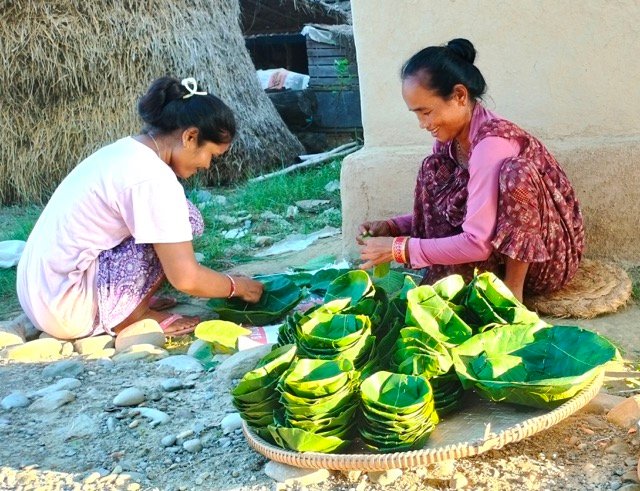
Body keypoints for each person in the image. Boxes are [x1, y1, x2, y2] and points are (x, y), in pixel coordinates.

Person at [16, 76, 264, 340]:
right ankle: (131, 316)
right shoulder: (153, 178)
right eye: (211, 155)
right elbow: (186, 278)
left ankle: (126, 302)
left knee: (175, 217)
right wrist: (238, 287)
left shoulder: (127, 151)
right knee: (184, 218)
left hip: (41, 295)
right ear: (190, 137)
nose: (206, 165)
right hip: (69, 307)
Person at [358, 39, 584, 301]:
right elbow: (473, 210)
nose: (422, 124)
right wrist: (393, 227)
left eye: (426, 112)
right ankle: (468, 278)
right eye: (416, 114)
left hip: (546, 262)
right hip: (493, 251)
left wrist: (400, 249)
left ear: (459, 96)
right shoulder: (450, 143)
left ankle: (513, 291)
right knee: (433, 166)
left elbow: (478, 242)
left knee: (516, 174)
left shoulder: (491, 145)